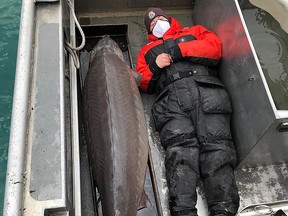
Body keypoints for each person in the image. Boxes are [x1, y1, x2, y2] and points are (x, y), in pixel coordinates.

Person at [136, 8, 240, 216]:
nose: (157, 22)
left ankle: (224, 209)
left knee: (217, 148)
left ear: (169, 19)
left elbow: (214, 48)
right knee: (180, 153)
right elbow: (142, 80)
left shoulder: (194, 31)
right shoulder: (146, 51)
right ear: (149, 31)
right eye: (152, 23)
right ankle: (183, 210)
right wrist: (155, 67)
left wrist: (181, 50)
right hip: (171, 101)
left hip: (206, 91)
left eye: (160, 18)